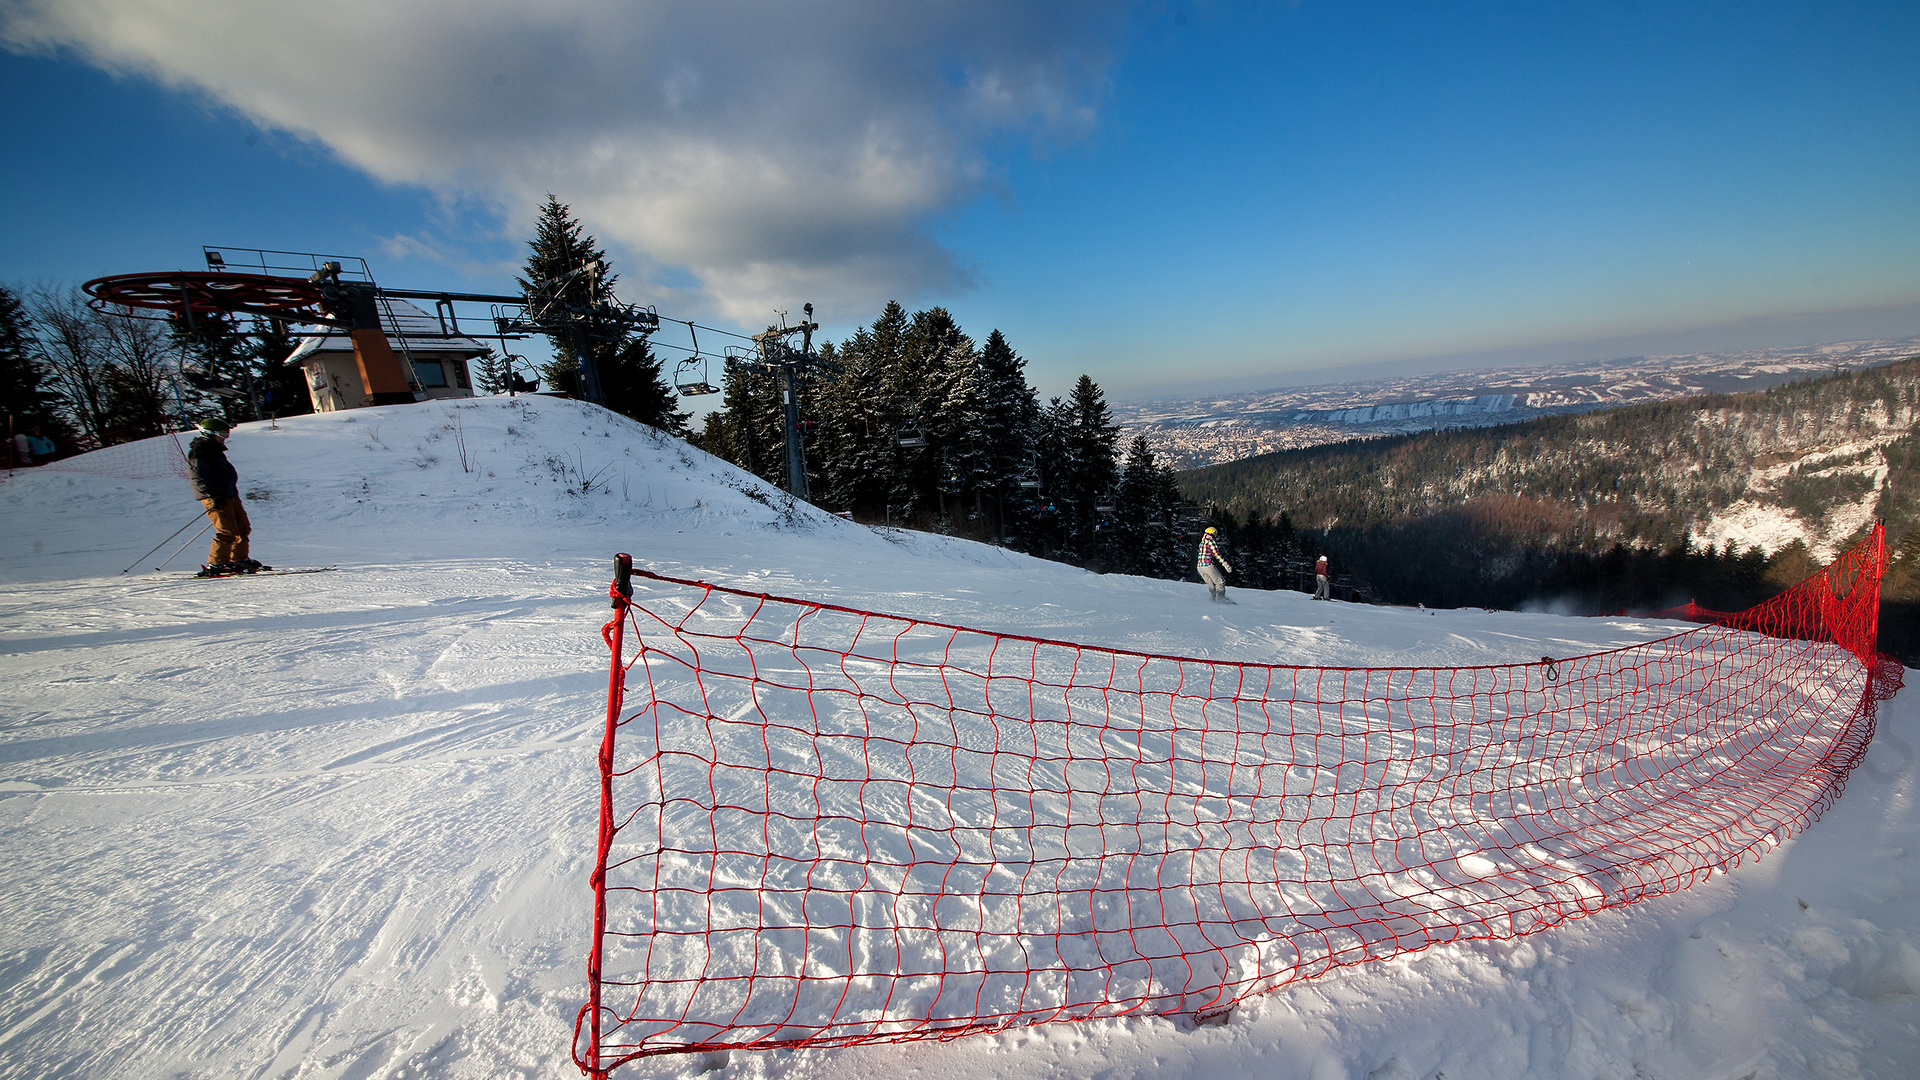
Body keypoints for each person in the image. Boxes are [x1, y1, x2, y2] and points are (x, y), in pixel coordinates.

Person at [187, 417, 267, 577]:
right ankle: (216, 564)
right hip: (216, 496)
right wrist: (212, 495)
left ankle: (238, 559)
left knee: (243, 527)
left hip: (229, 494)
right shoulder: (200, 451)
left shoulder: (214, 450)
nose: (225, 438)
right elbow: (198, 477)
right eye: (223, 435)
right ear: (210, 434)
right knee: (226, 530)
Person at [1197, 526, 1234, 602]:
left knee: (1211, 584)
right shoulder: (1210, 541)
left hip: (1200, 567)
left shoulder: (1202, 542)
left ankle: (1214, 599)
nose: (1215, 536)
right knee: (1220, 581)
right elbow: (1216, 554)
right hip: (1207, 565)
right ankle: (1221, 599)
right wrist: (1225, 564)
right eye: (1215, 534)